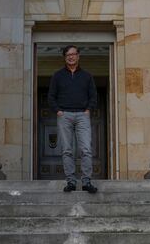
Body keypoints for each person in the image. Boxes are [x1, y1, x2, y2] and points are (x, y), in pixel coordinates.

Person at [48, 45, 98, 193]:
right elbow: (51, 97)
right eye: (68, 55)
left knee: (86, 149)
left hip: (82, 115)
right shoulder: (57, 76)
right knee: (67, 150)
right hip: (65, 116)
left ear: (78, 56)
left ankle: (86, 182)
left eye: (73, 54)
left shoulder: (87, 76)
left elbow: (93, 96)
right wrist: (58, 111)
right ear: (65, 57)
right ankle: (70, 181)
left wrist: (88, 110)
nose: (71, 57)